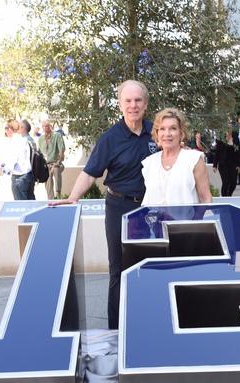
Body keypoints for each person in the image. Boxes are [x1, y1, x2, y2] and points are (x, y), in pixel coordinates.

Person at [50, 80, 155, 330]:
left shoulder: (156, 131)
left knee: (151, 265)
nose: (133, 105)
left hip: (151, 209)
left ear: (146, 104)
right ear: (120, 104)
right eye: (127, 101)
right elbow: (90, 173)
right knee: (118, 269)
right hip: (119, 207)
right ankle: (116, 330)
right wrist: (73, 197)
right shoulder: (110, 138)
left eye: (138, 100)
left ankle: (148, 323)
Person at [141, 108, 212, 205]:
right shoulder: (149, 163)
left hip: (186, 220)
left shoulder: (193, 160)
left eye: (173, 128)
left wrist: (197, 219)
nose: (167, 134)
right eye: (162, 129)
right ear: (157, 134)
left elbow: (206, 199)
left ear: (181, 133)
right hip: (155, 220)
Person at [2, 119, 34, 200]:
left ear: (9, 129)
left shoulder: (14, 141)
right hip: (28, 175)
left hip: (19, 178)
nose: (5, 131)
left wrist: (3, 170)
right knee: (30, 205)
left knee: (21, 206)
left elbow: (13, 160)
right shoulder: (23, 139)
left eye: (6, 128)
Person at [39, 120, 65, 199]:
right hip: (46, 165)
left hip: (57, 163)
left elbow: (62, 150)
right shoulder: (41, 139)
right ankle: (50, 199)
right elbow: (39, 154)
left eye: (47, 125)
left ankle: (58, 194)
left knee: (56, 169)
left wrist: (58, 162)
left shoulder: (57, 135)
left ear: (50, 126)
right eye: (43, 126)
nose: (45, 127)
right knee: (48, 178)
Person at [213, 129, 240, 196]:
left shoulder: (235, 137)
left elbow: (238, 152)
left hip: (233, 164)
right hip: (223, 164)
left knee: (233, 183)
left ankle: (229, 195)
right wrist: (215, 165)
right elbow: (217, 153)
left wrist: (238, 165)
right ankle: (224, 197)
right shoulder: (221, 139)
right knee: (225, 182)